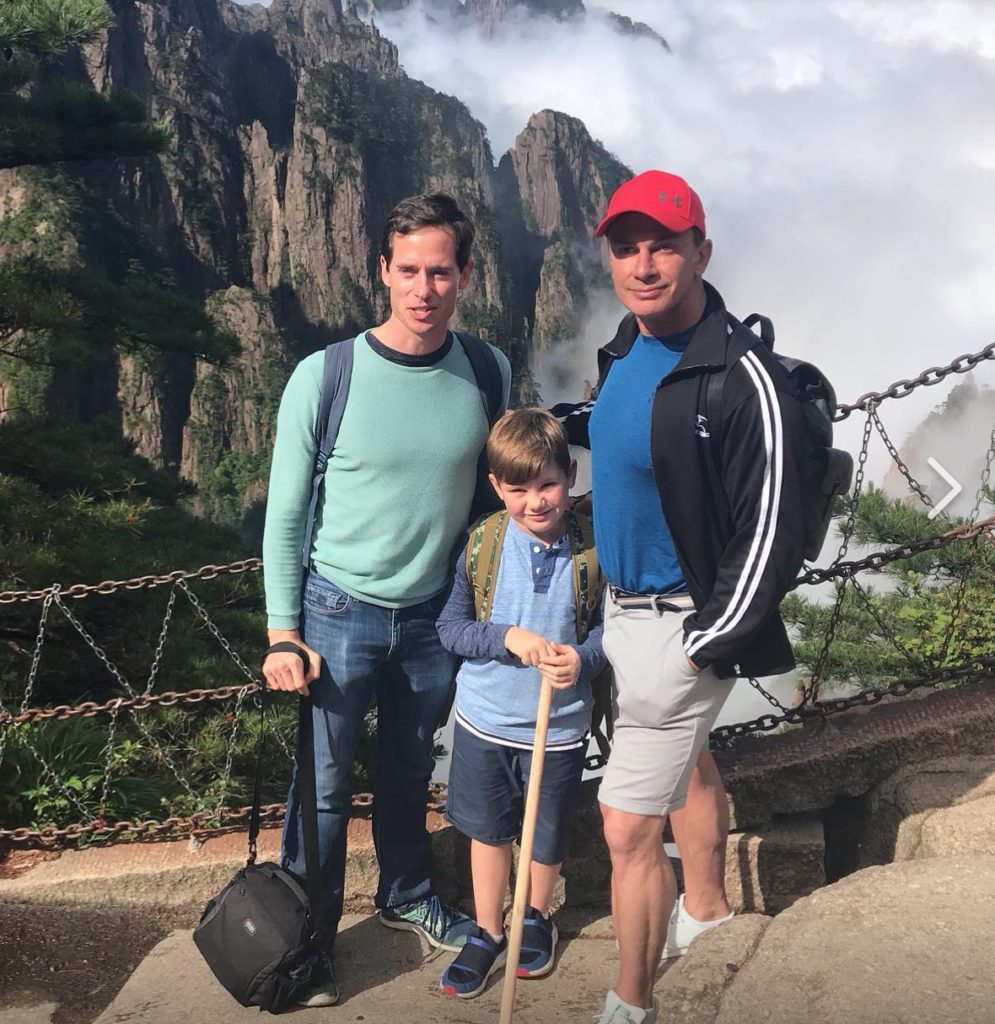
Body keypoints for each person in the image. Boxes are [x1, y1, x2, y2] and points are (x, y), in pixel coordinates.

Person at [260, 192, 511, 1007]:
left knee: (408, 769)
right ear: (382, 270)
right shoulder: (325, 375)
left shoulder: (486, 370)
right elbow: (286, 516)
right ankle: (308, 941)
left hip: (435, 614)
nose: (422, 289)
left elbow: (494, 496)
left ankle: (405, 894)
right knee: (323, 789)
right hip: (338, 611)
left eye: (439, 271)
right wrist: (282, 632)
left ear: (464, 274)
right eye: (408, 270)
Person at [586, 170, 809, 1024]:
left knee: (625, 830)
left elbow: (770, 531)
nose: (643, 265)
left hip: (681, 625)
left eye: (663, 247)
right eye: (625, 248)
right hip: (623, 611)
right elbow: (622, 429)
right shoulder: (624, 348)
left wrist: (703, 645)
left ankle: (630, 1004)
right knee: (689, 764)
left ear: (700, 252)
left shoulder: (741, 377)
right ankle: (706, 912)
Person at [434, 408, 607, 998]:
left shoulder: (593, 550)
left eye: (548, 485)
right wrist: (505, 637)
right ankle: (487, 931)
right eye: (518, 490)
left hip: (558, 726)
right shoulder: (482, 544)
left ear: (571, 475)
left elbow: (611, 631)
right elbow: (452, 629)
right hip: (485, 719)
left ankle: (533, 917)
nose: (536, 502)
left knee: (546, 833)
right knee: (487, 832)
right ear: (496, 487)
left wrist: (582, 658)